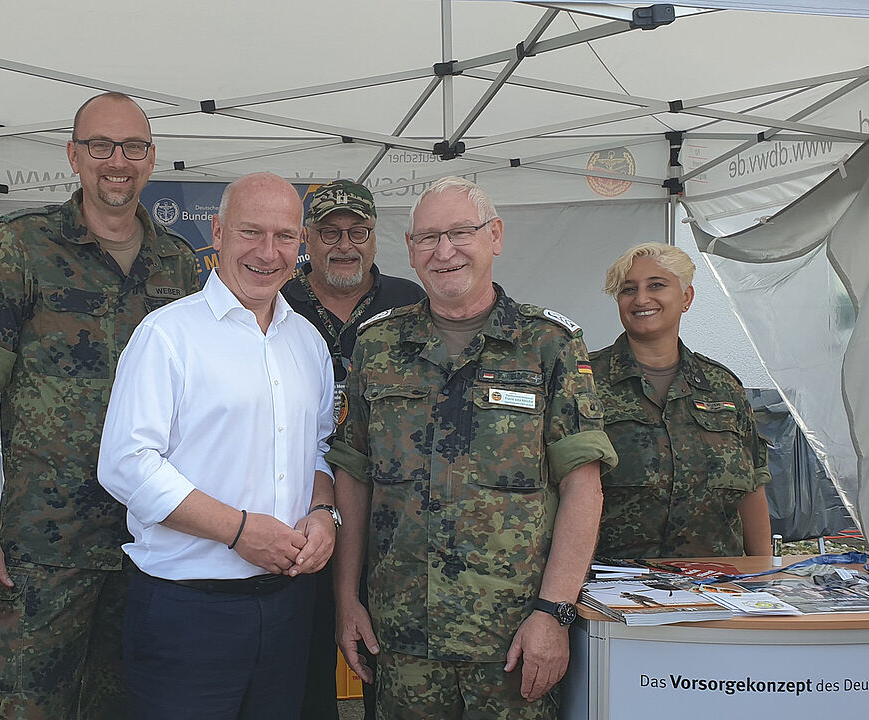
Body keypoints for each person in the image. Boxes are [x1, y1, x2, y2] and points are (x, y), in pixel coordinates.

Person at [0, 92, 200, 720]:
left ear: (150, 159)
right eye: (100, 146)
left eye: (133, 148)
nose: (118, 161)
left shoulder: (181, 265)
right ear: (74, 156)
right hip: (47, 547)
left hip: (152, 544)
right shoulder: (22, 246)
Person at [329, 176, 617, 720]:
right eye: (428, 238)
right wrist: (347, 602)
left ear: (496, 237)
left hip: (512, 641)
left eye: (460, 232)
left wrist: (554, 613)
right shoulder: (377, 345)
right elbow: (353, 476)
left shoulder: (548, 344)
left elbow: (583, 486)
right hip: (402, 639)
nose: (445, 251)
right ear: (410, 251)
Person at [98, 172, 338, 720]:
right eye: (251, 233)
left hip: (287, 605)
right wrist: (238, 530)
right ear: (218, 232)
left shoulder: (307, 341)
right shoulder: (168, 335)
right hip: (188, 610)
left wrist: (324, 513)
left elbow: (320, 450)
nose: (267, 252)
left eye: (284, 236)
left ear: (301, 243)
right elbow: (126, 466)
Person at [282, 179, 423, 720]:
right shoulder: (277, 300)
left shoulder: (410, 302)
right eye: (329, 232)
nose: (345, 244)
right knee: (304, 664)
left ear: (374, 238)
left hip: (390, 514)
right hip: (299, 512)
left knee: (385, 663)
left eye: (357, 231)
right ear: (307, 241)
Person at [591, 242, 772, 559]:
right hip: (613, 588)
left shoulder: (723, 388)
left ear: (686, 297)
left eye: (656, 285)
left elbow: (753, 488)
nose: (641, 299)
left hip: (717, 587)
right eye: (628, 289)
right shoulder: (583, 382)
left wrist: (764, 573)